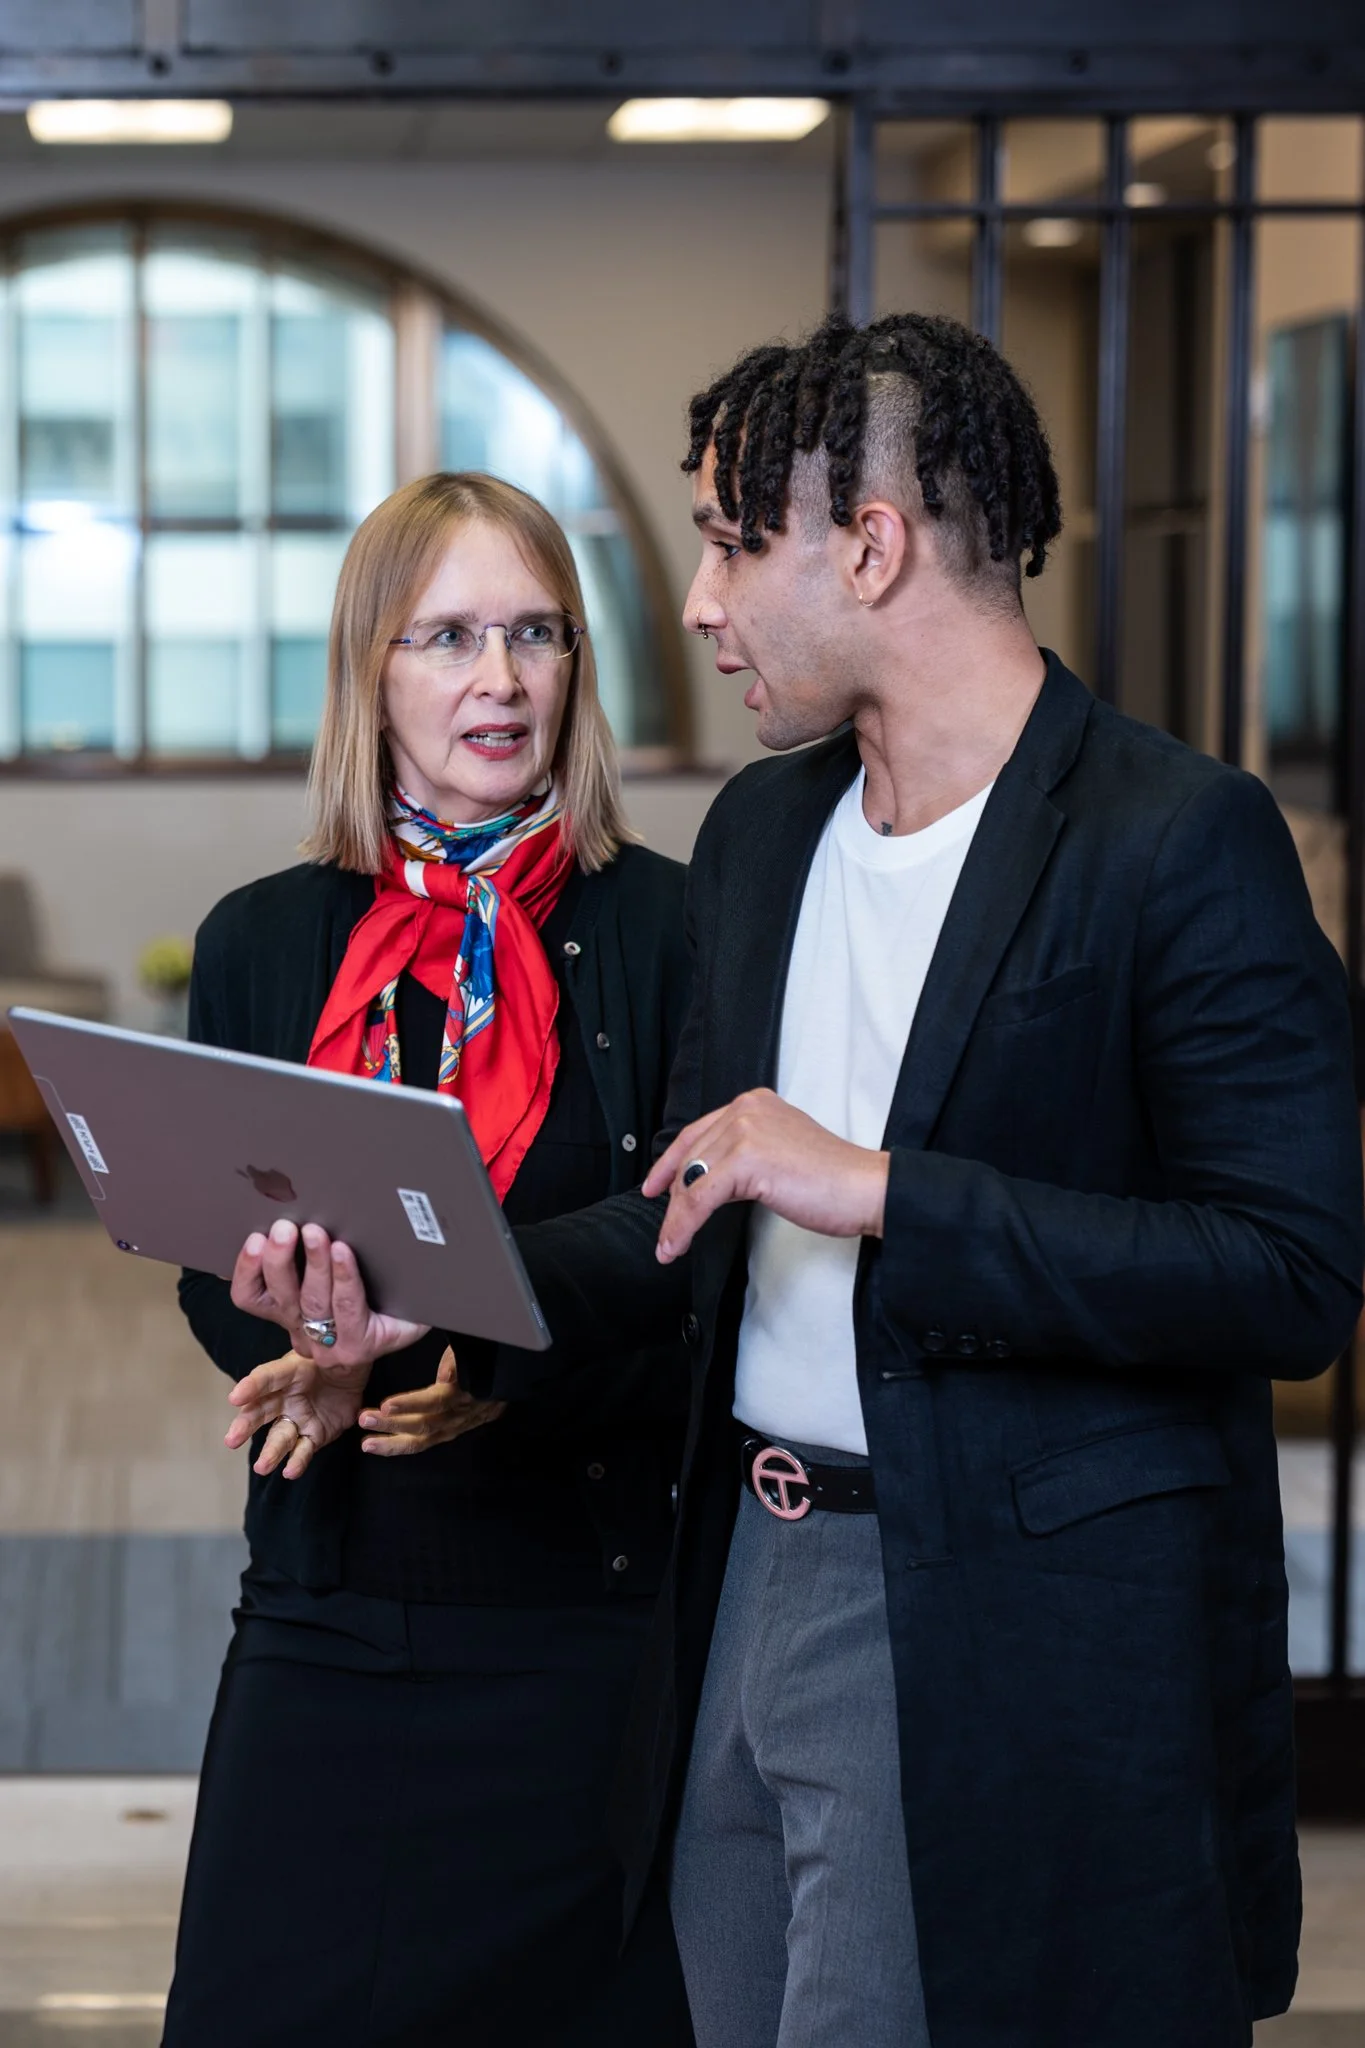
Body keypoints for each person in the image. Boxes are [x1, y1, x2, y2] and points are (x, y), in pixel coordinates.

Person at [444, 315, 1365, 2048]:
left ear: (868, 546)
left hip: (988, 1623)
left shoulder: (1178, 839)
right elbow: (692, 1214)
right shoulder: (763, 834)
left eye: (730, 542)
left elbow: (1290, 1271)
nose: (701, 604)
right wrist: (428, 1287)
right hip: (743, 1583)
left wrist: (887, 1192)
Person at [162, 472, 695, 2048]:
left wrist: (499, 1375)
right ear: (370, 669)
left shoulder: (674, 932)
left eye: (536, 634)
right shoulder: (265, 935)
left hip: (583, 1621)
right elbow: (211, 1261)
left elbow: (697, 1274)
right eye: (448, 635)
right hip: (332, 1601)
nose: (502, 681)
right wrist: (294, 1347)